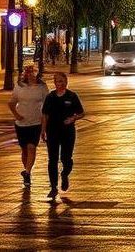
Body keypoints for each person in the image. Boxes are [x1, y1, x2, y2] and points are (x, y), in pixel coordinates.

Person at [41, 71, 85, 200]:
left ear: (66, 82)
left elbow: (82, 113)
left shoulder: (72, 96)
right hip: (52, 131)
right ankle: (53, 187)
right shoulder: (50, 97)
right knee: (52, 159)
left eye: (61, 81)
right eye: (56, 81)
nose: (59, 84)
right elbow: (45, 115)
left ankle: (65, 174)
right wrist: (43, 130)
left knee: (66, 158)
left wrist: (73, 118)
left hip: (67, 132)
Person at [8, 63, 49, 187]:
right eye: (28, 72)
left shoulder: (42, 87)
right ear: (25, 74)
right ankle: (26, 171)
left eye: (33, 72)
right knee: (24, 150)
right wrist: (16, 115)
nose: (31, 74)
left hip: (36, 122)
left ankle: (27, 172)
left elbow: (47, 105)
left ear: (37, 73)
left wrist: (45, 125)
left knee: (32, 147)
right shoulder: (19, 86)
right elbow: (11, 103)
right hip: (21, 123)